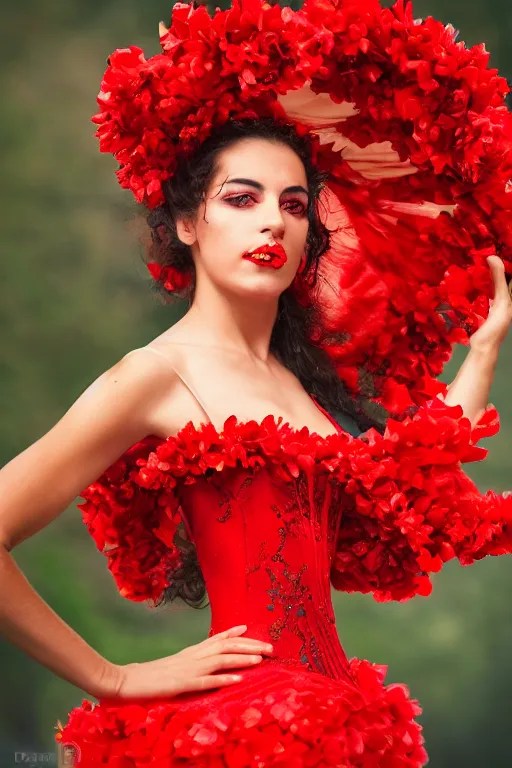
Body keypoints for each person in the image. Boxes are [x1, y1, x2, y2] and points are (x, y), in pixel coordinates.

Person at [1, 0, 512, 764]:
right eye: (241, 199)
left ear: (310, 236)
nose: (272, 222)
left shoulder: (304, 387)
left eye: (294, 205)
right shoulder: (154, 376)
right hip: (239, 733)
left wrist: (480, 354)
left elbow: (410, 509)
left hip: (344, 726)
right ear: (186, 223)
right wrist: (110, 677)